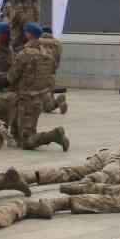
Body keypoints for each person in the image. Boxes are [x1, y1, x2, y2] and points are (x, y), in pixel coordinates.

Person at [16, 131, 120, 187]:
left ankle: (32, 176)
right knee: (106, 177)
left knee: (72, 171)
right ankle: (81, 187)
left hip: (107, 154)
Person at [7, 23, 70, 151]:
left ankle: (54, 135)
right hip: (39, 97)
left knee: (27, 142)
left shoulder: (25, 53)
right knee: (22, 130)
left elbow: (11, 77)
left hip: (26, 99)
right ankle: (17, 135)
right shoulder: (47, 53)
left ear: (29, 34)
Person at [35, 25, 68, 114]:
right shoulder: (58, 44)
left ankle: (58, 100)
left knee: (46, 108)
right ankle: (57, 100)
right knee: (48, 97)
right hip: (51, 75)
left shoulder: (37, 42)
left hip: (39, 76)